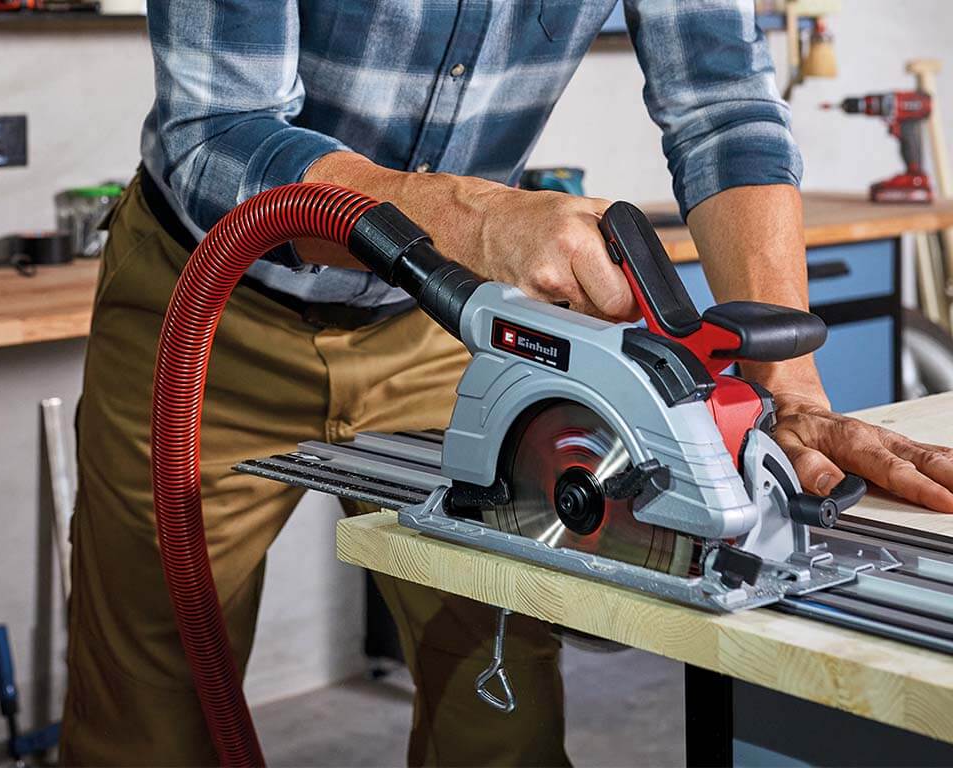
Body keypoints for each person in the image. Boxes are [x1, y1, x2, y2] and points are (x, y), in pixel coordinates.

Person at [60, 1, 953, 765]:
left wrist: (787, 392)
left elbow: (721, 106)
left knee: (499, 692)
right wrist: (472, 212)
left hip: (449, 314)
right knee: (153, 702)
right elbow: (217, 131)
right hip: (212, 302)